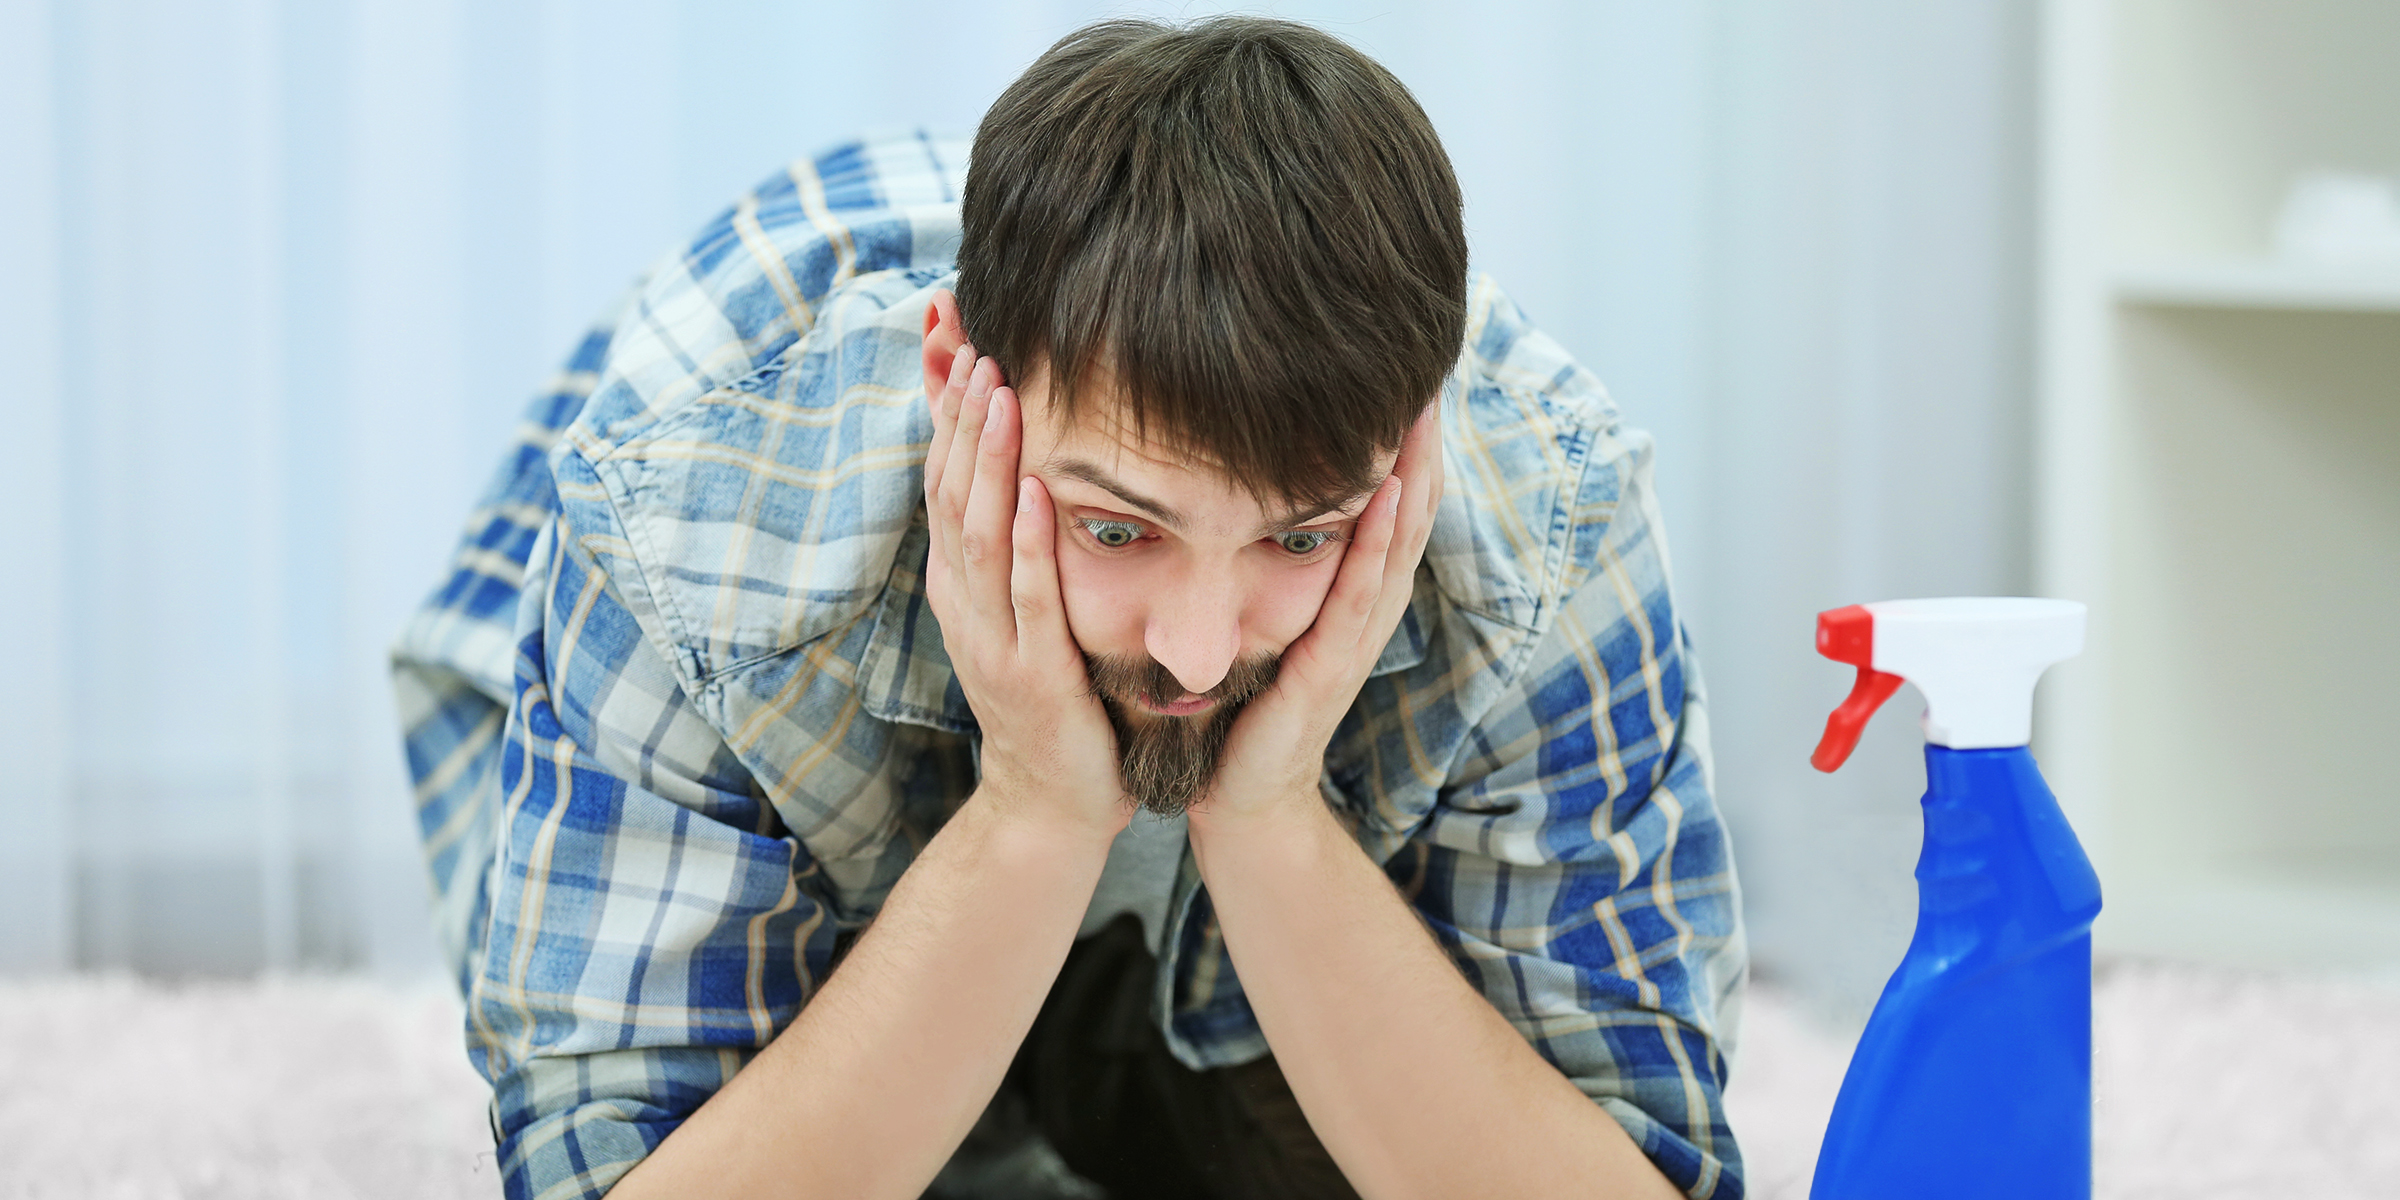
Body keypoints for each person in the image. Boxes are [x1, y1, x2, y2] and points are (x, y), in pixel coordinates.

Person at [394, 15, 1746, 1200]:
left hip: (1219, 986)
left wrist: (1271, 822)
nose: (1200, 648)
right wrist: (1035, 809)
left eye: (1300, 535)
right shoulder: (693, 524)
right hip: (799, 886)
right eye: (1116, 526)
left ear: (1414, 441)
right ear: (953, 382)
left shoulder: (1541, 513)